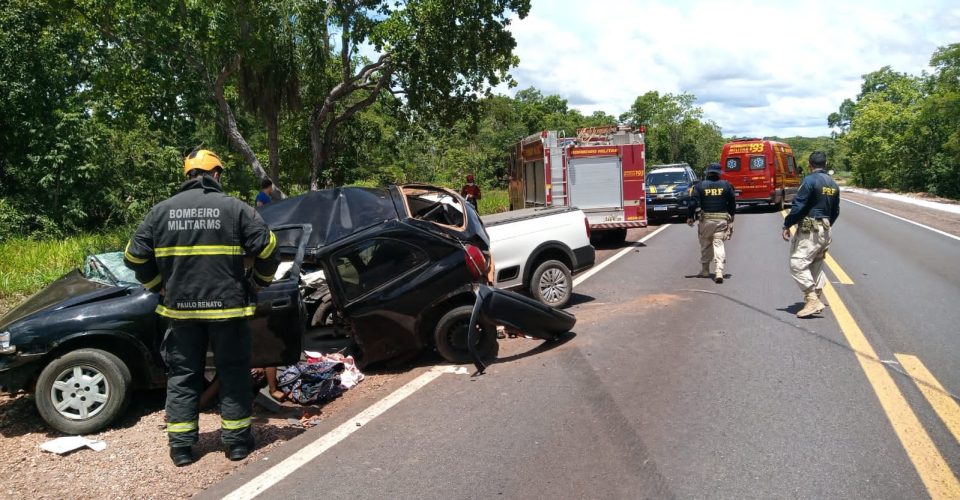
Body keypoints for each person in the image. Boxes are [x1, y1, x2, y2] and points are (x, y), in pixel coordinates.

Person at [124, 149, 280, 466]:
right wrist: (258, 284)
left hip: (180, 312)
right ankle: (236, 444)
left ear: (188, 175)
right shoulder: (236, 209)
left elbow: (134, 257)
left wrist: (157, 286)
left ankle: (181, 448)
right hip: (228, 311)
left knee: (183, 375)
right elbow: (269, 250)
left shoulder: (160, 212)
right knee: (234, 373)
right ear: (217, 174)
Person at [782, 151, 840, 318]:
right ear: (825, 163)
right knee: (816, 262)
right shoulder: (833, 183)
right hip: (826, 227)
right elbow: (835, 211)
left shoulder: (809, 181)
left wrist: (787, 224)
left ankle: (812, 299)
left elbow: (799, 206)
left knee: (797, 263)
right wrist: (826, 227)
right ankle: (816, 297)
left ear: (809, 164)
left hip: (811, 227)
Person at [687, 162, 736, 283]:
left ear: (708, 173)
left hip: (706, 221)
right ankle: (719, 270)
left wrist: (690, 217)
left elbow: (692, 203)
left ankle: (705, 270)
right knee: (718, 243)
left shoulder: (699, 186)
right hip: (722, 221)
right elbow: (732, 202)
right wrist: (732, 215)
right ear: (720, 174)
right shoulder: (727, 185)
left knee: (706, 244)